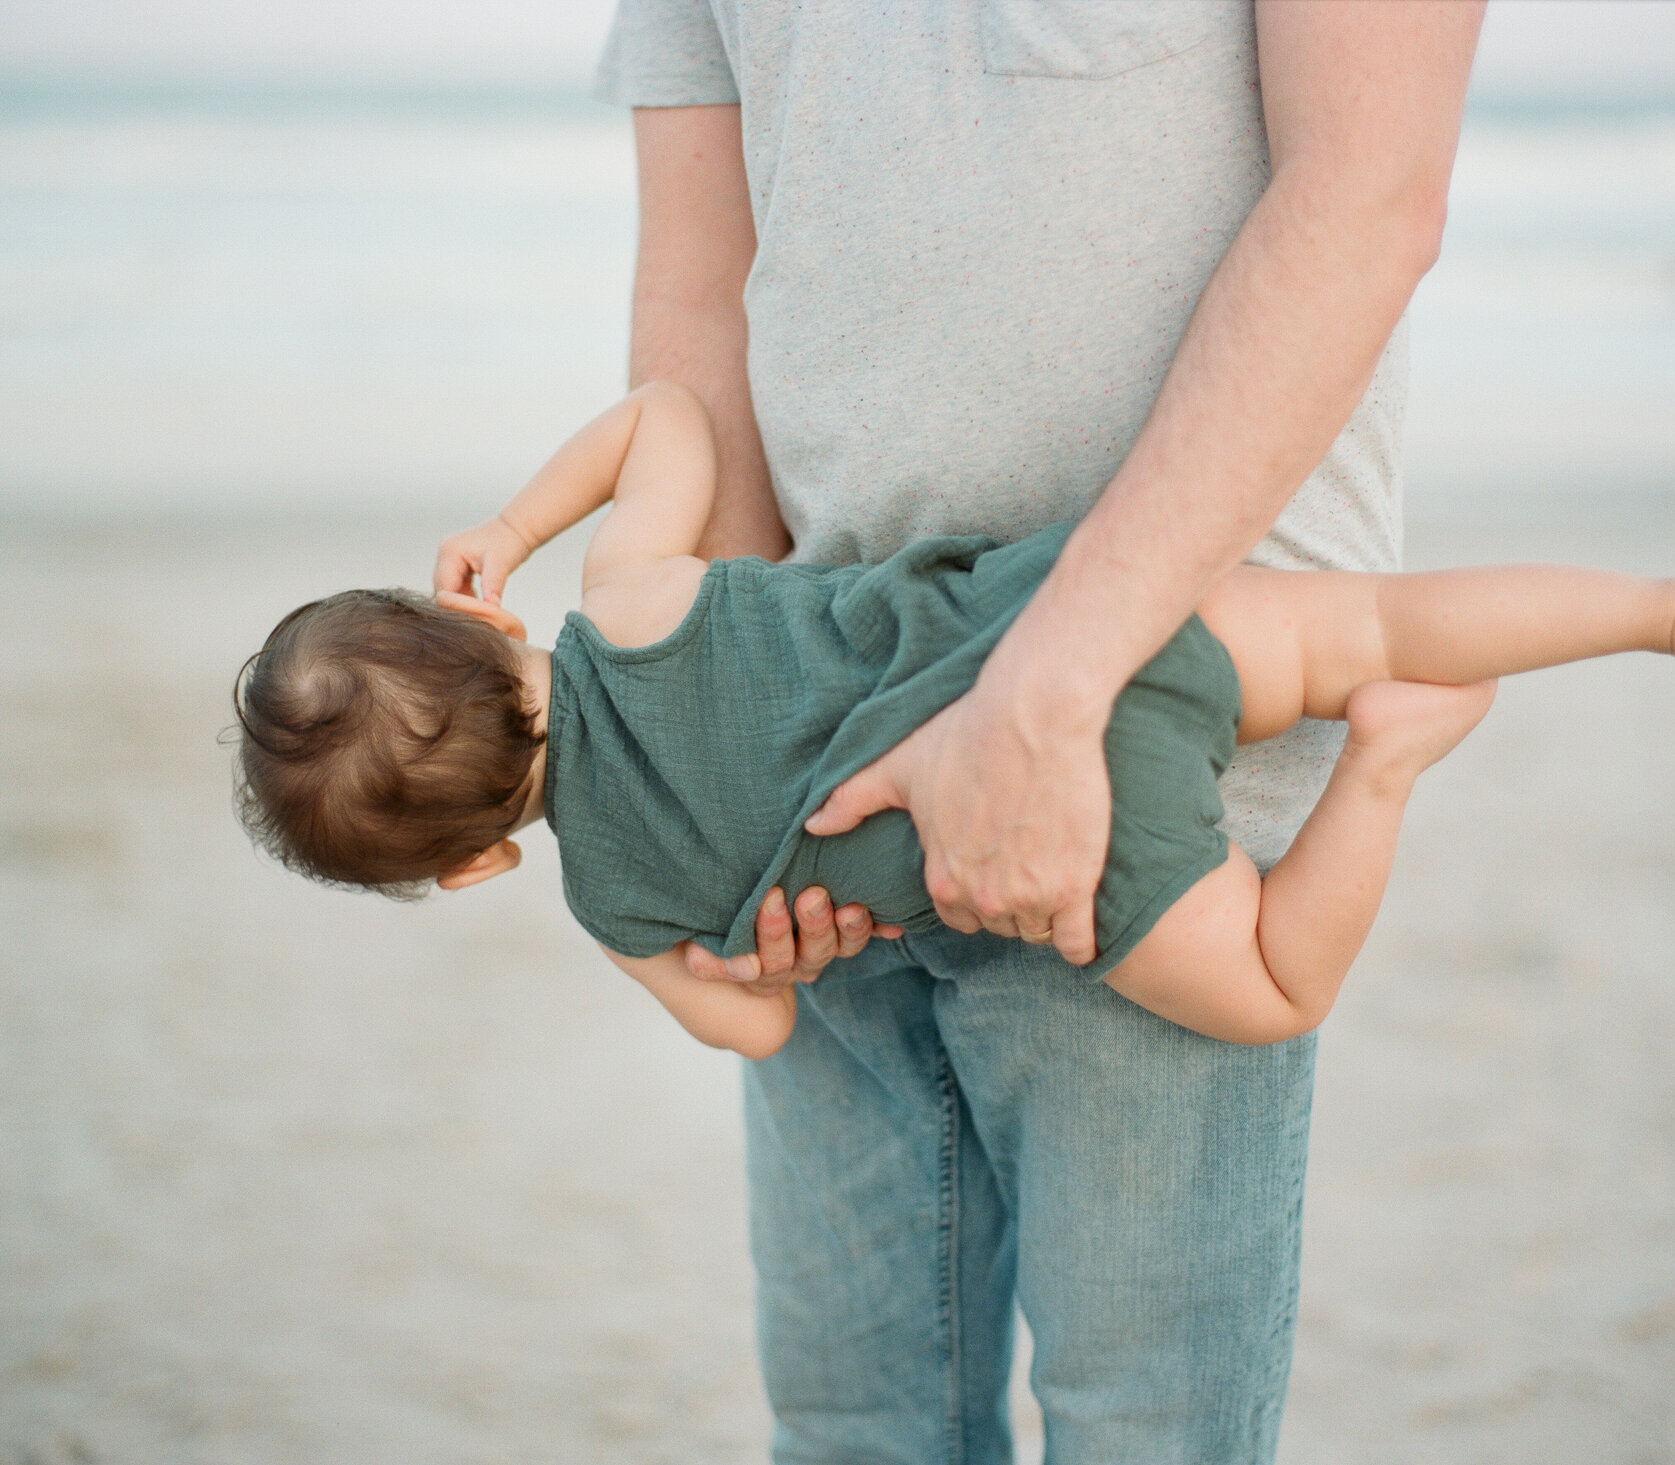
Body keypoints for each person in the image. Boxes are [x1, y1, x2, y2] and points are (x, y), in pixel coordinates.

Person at [594, 4, 1484, 1460]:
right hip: (833, 802)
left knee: (1145, 1434)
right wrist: (744, 769)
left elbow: (1368, 195)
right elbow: (702, 290)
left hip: (1150, 767)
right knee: (851, 1436)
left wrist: (1045, 696)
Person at [235, 385, 1675, 1066]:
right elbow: (673, 411)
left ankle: (1390, 765)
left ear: (467, 871)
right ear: (489, 627)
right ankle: (1674, 613)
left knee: (1272, 986)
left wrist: (735, 955)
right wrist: (511, 530)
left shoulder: (605, 898)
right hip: (1063, 615)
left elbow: (761, 1027)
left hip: (1068, 834)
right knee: (1375, 618)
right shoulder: (631, 596)